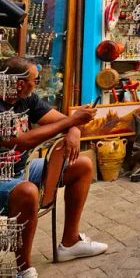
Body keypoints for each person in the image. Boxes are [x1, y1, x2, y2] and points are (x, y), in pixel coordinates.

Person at [0, 57, 108, 278]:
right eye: (34, 80)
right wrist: (71, 123)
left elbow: (65, 121)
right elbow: (21, 141)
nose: (37, 84)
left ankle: (70, 242)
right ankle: (23, 269)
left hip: (22, 170)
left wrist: (74, 130)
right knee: (27, 190)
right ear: (19, 83)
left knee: (82, 165)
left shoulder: (27, 99)